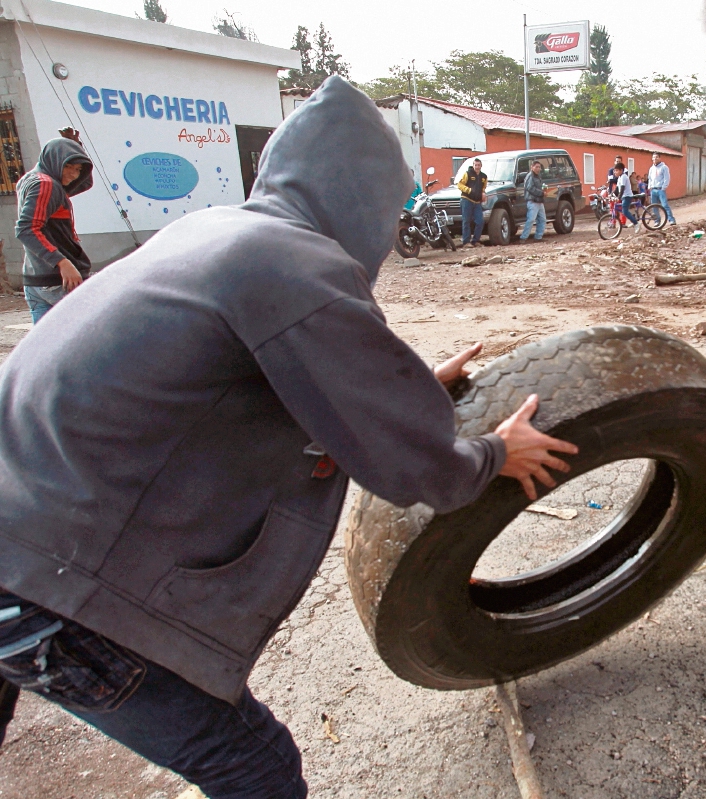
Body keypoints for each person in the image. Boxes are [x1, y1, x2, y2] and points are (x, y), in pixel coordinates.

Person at [0, 76, 577, 798]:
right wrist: (495, 453)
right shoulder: (295, 265)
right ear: (358, 194)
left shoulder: (217, 230)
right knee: (253, 766)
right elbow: (412, 471)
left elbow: (267, 381)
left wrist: (412, 385)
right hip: (46, 581)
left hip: (17, 534)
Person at [14, 136, 93, 323]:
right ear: (55, 160)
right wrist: (62, 262)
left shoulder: (30, 180)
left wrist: (76, 149)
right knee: (87, 341)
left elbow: (85, 183)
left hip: (36, 280)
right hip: (58, 281)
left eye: (78, 169)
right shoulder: (46, 185)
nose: (73, 174)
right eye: (68, 166)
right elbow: (26, 228)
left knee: (47, 346)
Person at [457, 158, 487, 247]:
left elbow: (484, 187)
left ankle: (476, 240)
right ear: (473, 165)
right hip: (467, 200)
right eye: (475, 165)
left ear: (481, 166)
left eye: (479, 165)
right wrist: (468, 190)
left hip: (477, 202)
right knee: (466, 221)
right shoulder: (467, 174)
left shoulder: (484, 177)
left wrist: (483, 193)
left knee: (480, 221)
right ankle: (466, 242)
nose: (477, 167)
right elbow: (459, 185)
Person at [519, 160, 552, 242]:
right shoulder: (530, 176)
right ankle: (523, 238)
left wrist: (544, 191)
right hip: (533, 201)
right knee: (531, 220)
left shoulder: (537, 176)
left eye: (539, 167)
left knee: (542, 220)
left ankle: (538, 237)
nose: (538, 169)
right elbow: (530, 188)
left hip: (539, 201)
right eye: (536, 167)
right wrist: (541, 193)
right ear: (532, 167)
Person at [647, 153, 676, 226]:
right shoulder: (651, 168)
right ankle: (657, 221)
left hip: (660, 189)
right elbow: (649, 178)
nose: (655, 159)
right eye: (653, 157)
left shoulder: (664, 167)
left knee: (664, 205)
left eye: (656, 157)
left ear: (660, 158)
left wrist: (663, 187)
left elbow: (667, 178)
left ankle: (671, 220)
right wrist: (649, 186)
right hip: (653, 189)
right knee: (654, 206)